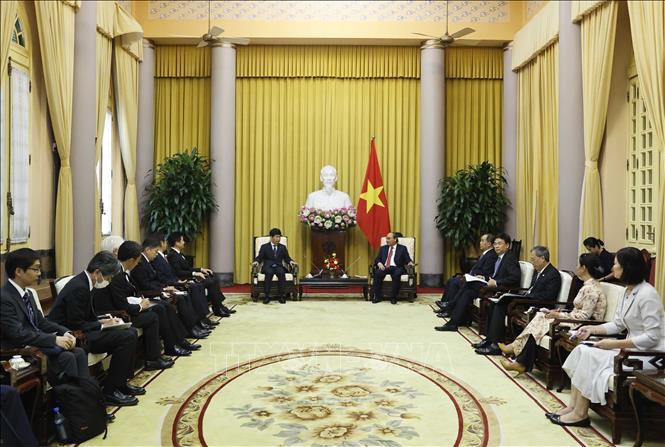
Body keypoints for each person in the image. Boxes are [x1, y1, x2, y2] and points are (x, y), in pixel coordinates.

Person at [548, 247, 664, 427]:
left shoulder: (648, 295)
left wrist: (615, 344)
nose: (612, 267)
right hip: (631, 349)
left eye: (616, 264)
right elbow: (618, 324)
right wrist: (592, 329)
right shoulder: (628, 291)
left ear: (627, 267)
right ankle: (573, 407)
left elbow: (653, 337)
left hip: (649, 355)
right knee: (583, 350)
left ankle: (580, 414)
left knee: (590, 355)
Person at [48, 251, 141, 407]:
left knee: (130, 331)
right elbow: (76, 324)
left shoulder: (84, 282)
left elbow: (84, 317)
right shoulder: (79, 287)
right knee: (127, 337)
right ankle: (111, 390)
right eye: (108, 277)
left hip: (83, 330)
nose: (108, 281)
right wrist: (102, 325)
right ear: (98, 272)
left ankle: (120, 383)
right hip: (75, 335)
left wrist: (103, 320)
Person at [499, 253, 607, 374]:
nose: (576, 267)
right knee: (541, 315)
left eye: (578, 264)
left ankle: (519, 358)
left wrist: (559, 315)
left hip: (583, 325)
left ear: (584, 268)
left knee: (543, 321)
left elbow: (584, 317)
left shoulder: (591, 289)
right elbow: (579, 311)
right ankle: (518, 355)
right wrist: (559, 312)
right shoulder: (587, 285)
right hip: (575, 320)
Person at [1, 248, 89, 384]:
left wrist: (65, 332)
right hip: (19, 351)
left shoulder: (27, 293)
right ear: (18, 271)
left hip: (37, 344)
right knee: (68, 357)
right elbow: (18, 334)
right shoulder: (4, 298)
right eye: (35, 269)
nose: (39, 273)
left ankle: (86, 393)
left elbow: (41, 322)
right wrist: (54, 340)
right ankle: (70, 396)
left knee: (79, 352)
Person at [111, 241, 197, 357]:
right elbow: (121, 300)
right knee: (160, 309)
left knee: (164, 306)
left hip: (136, 303)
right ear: (131, 260)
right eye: (138, 260)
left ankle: (177, 341)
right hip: (124, 313)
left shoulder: (123, 272)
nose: (138, 263)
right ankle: (170, 346)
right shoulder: (117, 275)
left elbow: (132, 292)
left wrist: (141, 300)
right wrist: (140, 305)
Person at [474, 246, 562, 355]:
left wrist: (527, 297)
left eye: (533, 259)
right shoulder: (539, 271)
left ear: (542, 258)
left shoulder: (553, 274)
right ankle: (489, 340)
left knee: (501, 306)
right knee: (495, 303)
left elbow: (548, 296)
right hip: (527, 299)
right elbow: (531, 289)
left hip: (536, 304)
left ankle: (495, 345)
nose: (532, 263)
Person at [435, 233, 521, 332]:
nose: (496, 246)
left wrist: (496, 282)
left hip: (499, 289)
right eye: (495, 244)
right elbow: (494, 274)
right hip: (491, 285)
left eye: (500, 244)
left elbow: (515, 278)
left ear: (507, 245)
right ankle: (453, 323)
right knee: (467, 293)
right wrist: (484, 277)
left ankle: (450, 305)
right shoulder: (500, 257)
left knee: (469, 283)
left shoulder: (510, 258)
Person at [150, 234, 220, 328]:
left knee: (203, 283)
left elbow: (176, 272)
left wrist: (195, 272)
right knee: (196, 287)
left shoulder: (164, 256)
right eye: (182, 240)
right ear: (161, 243)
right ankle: (198, 322)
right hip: (172, 284)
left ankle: (203, 318)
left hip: (177, 281)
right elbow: (166, 276)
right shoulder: (161, 257)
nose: (184, 242)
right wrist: (177, 282)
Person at [167, 232, 234, 317]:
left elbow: (188, 268)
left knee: (213, 278)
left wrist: (201, 269)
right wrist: (195, 273)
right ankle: (217, 308)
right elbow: (178, 272)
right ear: (177, 242)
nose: (184, 242)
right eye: (182, 240)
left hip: (189, 276)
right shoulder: (172, 255)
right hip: (184, 280)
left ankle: (219, 306)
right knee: (210, 282)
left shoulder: (179, 254)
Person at [435, 233, 497, 312]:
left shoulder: (491, 255)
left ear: (489, 244)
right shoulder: (486, 254)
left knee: (455, 282)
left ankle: (448, 308)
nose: (480, 243)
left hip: (479, 280)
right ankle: (444, 306)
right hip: (474, 277)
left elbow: (485, 271)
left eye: (482, 241)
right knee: (451, 280)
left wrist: (472, 274)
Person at [253, 228, 297, 304]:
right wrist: (256, 261)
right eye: (277, 237)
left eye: (279, 237)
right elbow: (259, 257)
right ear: (271, 237)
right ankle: (267, 296)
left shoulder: (282, 247)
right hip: (268, 266)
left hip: (278, 266)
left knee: (281, 273)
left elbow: (287, 258)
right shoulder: (264, 247)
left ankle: (282, 296)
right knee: (269, 273)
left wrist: (291, 261)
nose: (278, 239)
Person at [371, 232, 414, 305]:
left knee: (396, 275)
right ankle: (377, 297)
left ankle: (393, 297)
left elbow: (407, 259)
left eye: (388, 238)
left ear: (395, 239)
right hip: (385, 267)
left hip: (397, 267)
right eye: (386, 238)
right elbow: (377, 259)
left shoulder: (402, 248)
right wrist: (379, 263)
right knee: (378, 273)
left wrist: (410, 263)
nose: (386, 240)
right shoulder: (383, 248)